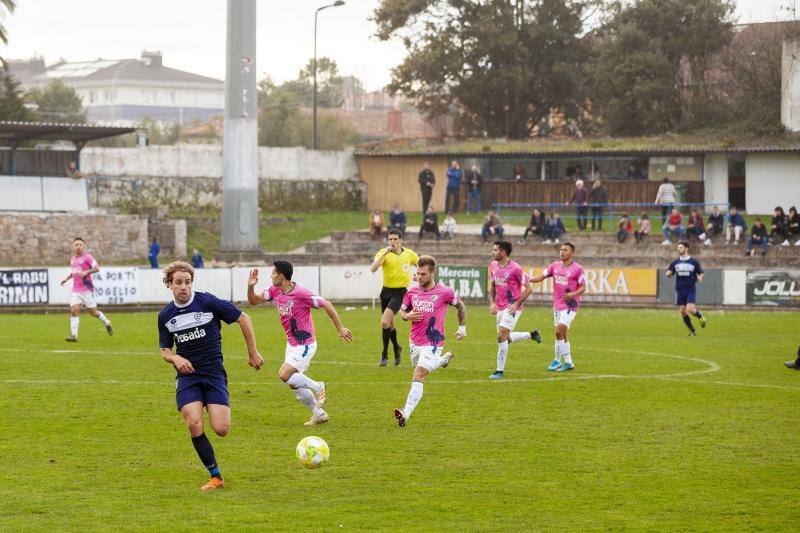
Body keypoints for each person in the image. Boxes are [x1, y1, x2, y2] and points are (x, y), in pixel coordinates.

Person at [157, 261, 264, 491]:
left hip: (214, 374)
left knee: (221, 429)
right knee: (194, 423)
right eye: (178, 283)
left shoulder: (207, 302)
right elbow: (165, 351)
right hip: (188, 377)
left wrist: (252, 353)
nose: (183, 287)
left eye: (187, 282)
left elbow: (243, 318)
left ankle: (211, 403)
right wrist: (176, 358)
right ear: (170, 285)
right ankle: (216, 477)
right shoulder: (165, 315)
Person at [247, 261, 353, 426]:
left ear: (281, 276)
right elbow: (253, 301)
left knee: (283, 375)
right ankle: (319, 414)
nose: (271, 276)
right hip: (291, 344)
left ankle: (319, 386)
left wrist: (340, 328)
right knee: (292, 382)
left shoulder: (301, 294)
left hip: (305, 344)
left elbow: (327, 304)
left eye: (273, 273)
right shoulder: (275, 291)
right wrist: (250, 286)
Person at [393, 255, 467, 427]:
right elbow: (402, 312)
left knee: (419, 374)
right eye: (418, 273)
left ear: (433, 273)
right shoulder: (412, 292)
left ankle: (406, 413)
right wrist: (407, 316)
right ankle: (443, 360)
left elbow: (461, 306)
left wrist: (462, 328)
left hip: (434, 342)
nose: (419, 277)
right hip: (415, 342)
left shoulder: (445, 292)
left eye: (423, 274)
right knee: (423, 368)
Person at [487, 241, 542, 379]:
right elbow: (493, 285)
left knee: (501, 336)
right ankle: (532, 334)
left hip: (512, 307)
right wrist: (492, 303)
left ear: (503, 252)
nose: (492, 252)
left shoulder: (516, 269)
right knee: (506, 338)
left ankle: (499, 371)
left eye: (495, 250)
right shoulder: (493, 265)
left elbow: (529, 288)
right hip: (499, 306)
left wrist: (517, 304)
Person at [530, 242, 586, 372]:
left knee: (558, 331)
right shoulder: (554, 266)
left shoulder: (578, 269)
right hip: (557, 305)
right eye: (561, 250)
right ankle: (569, 363)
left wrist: (573, 294)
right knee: (563, 334)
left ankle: (556, 360)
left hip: (570, 306)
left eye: (565, 250)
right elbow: (542, 276)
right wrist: (527, 280)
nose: (562, 252)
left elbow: (583, 286)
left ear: (571, 253)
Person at [370, 228, 419, 366]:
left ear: (401, 240)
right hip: (385, 292)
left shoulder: (409, 254)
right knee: (389, 324)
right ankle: (397, 348)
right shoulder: (383, 253)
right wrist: (384, 253)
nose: (392, 242)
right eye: (390, 239)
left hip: (400, 293)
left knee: (385, 321)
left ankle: (384, 354)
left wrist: (418, 275)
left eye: (395, 239)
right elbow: (373, 269)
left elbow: (420, 264)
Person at [59, 237, 113, 342]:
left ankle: (107, 322)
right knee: (74, 310)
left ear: (84, 246)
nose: (78, 246)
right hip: (76, 291)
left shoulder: (87, 257)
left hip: (87, 290)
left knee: (93, 312)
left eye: (80, 245)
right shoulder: (73, 259)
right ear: (73, 246)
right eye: (76, 244)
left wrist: (86, 272)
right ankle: (74, 335)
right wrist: (66, 278)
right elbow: (74, 272)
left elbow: (97, 268)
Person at [665, 241, 706, 336]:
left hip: (690, 288)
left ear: (686, 248)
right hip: (679, 289)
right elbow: (669, 271)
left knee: (691, 309)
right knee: (683, 311)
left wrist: (700, 277)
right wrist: (668, 274)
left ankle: (701, 317)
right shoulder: (675, 262)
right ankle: (692, 331)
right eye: (678, 248)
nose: (679, 249)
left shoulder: (694, 262)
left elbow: (701, 272)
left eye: (681, 248)